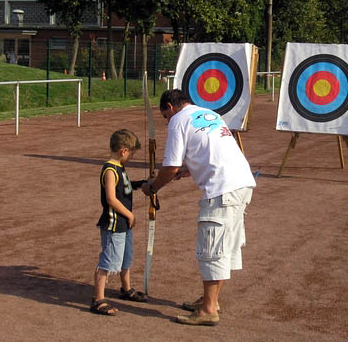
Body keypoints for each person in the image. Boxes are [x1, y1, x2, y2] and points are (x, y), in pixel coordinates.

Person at [142, 89, 256, 326]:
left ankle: (208, 310)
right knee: (223, 246)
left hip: (222, 190)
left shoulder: (178, 121)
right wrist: (188, 170)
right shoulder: (209, 114)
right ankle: (209, 300)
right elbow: (209, 152)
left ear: (170, 108)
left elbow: (171, 166)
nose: (167, 121)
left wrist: (153, 188)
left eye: (165, 116)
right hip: (241, 183)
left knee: (212, 247)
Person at [91, 129, 148, 316]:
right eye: (131, 153)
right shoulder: (110, 169)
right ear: (124, 151)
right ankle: (98, 299)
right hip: (114, 224)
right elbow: (111, 198)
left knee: (125, 258)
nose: (131, 157)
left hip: (124, 224)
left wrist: (143, 184)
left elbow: (126, 187)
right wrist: (130, 215)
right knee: (108, 260)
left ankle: (126, 288)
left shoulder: (120, 169)